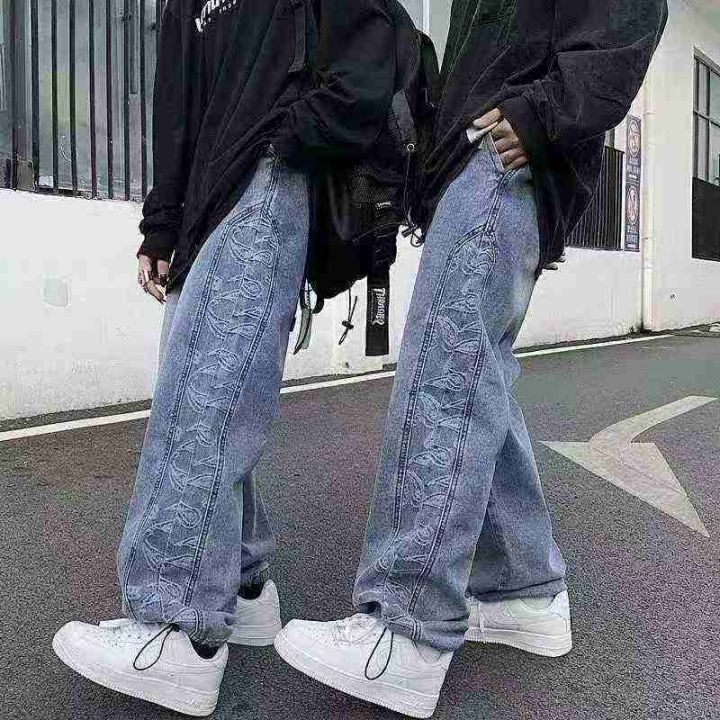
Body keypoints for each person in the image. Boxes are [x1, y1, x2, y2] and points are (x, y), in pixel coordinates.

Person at [273, 1, 669, 718]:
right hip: (477, 161)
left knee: (446, 377)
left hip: (506, 157)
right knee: (472, 375)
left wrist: (541, 113)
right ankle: (525, 589)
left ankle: (406, 628)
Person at [50, 0, 396, 715]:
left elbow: (374, 41)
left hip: (268, 181)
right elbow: (177, 108)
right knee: (204, 392)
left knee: (204, 402)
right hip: (207, 205)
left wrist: (286, 137)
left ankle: (178, 630)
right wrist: (161, 225)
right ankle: (243, 587)